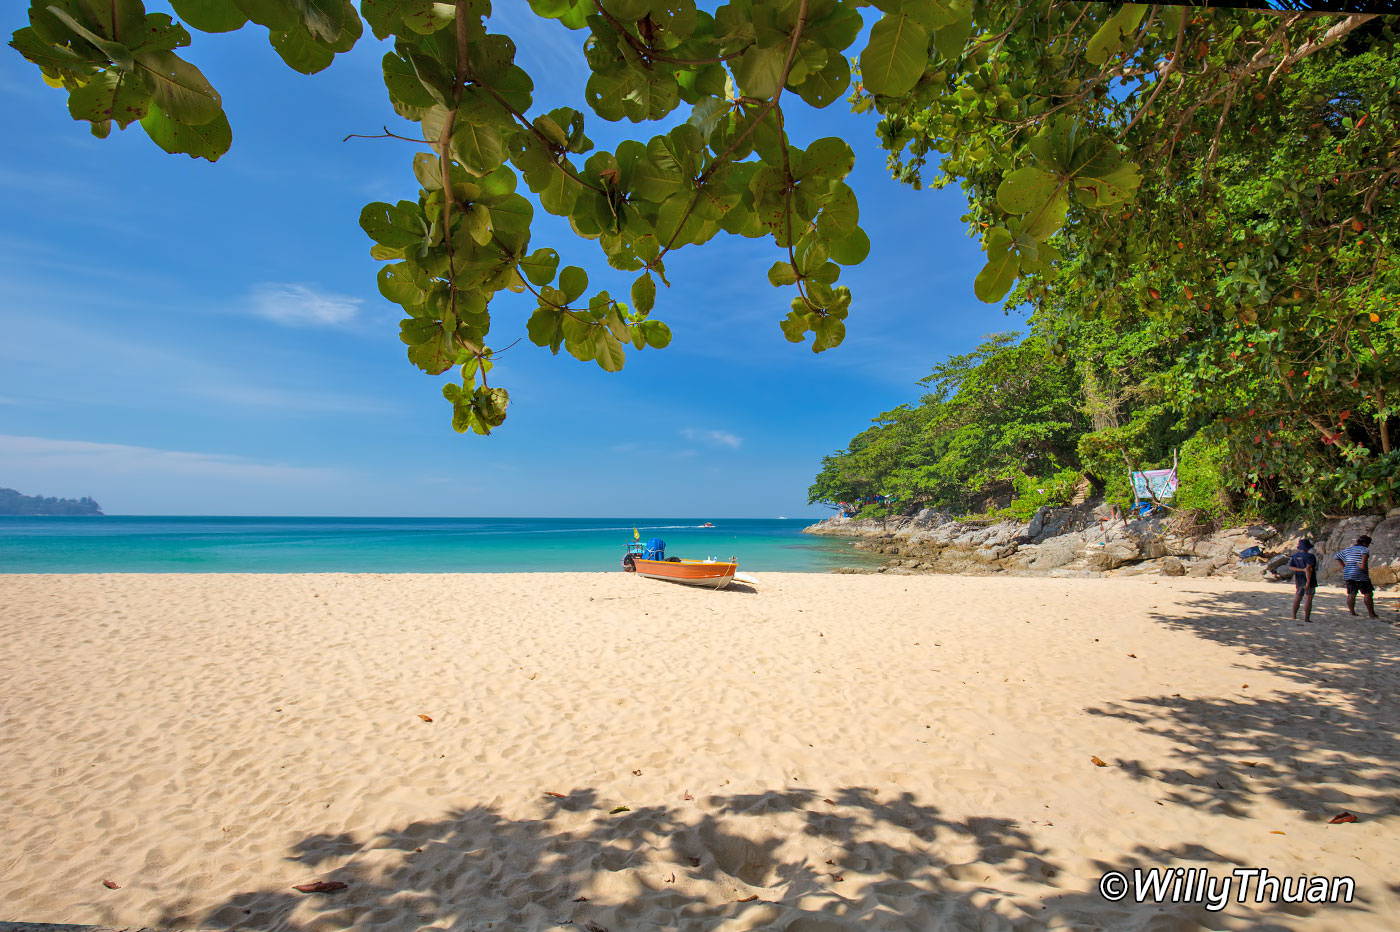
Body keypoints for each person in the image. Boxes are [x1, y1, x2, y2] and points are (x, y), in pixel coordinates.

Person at [1334, 534, 1380, 619]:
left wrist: (1345, 567)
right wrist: (1362, 567)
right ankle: (1371, 614)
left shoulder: (1348, 549)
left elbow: (1337, 557)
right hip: (1360, 574)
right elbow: (1363, 564)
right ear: (1365, 543)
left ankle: (1352, 612)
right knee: (1368, 593)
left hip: (1348, 574)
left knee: (1351, 593)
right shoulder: (1364, 549)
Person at [1289, 538, 1318, 622]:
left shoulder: (1295, 556)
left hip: (1298, 578)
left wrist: (1301, 570)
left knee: (1298, 596)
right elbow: (1308, 569)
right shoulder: (1310, 556)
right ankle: (1306, 618)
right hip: (1309, 578)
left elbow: (1290, 567)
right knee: (1308, 598)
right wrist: (1308, 582)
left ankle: (1294, 615)